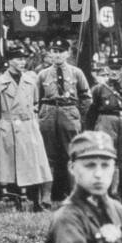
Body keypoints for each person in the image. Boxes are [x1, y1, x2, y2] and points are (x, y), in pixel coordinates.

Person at [0, 42, 52, 211]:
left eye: (23, 59)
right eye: (17, 59)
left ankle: (37, 202)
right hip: (9, 127)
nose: (21, 62)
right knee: (12, 168)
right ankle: (17, 201)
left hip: (28, 125)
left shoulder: (31, 80)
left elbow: (36, 102)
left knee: (34, 164)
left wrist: (33, 120)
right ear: (9, 61)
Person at [36, 38, 91, 204]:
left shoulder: (76, 73)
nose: (57, 54)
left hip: (69, 113)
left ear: (67, 53)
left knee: (72, 155)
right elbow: (36, 99)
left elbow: (86, 98)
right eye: (54, 51)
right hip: (48, 113)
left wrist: (77, 116)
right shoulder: (42, 74)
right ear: (50, 53)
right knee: (47, 156)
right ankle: (46, 196)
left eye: (60, 51)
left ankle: (74, 195)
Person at [84, 53, 122, 206]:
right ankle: (110, 194)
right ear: (107, 69)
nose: (114, 72)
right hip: (106, 121)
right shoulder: (99, 89)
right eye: (112, 68)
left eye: (118, 69)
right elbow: (91, 112)